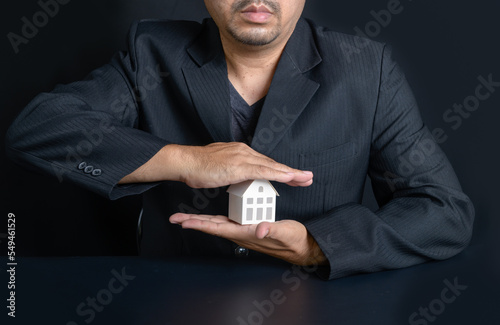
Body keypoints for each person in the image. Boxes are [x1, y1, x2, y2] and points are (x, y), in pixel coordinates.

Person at [5, 0, 474, 280]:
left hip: (314, 300)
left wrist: (318, 245)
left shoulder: (366, 69)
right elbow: (37, 129)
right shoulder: (152, 53)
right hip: (170, 297)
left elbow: (444, 211)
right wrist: (183, 159)